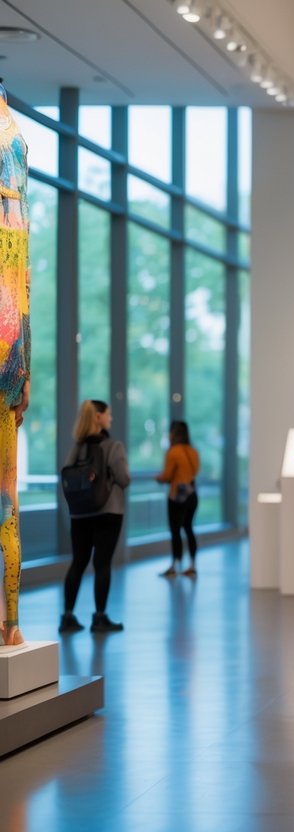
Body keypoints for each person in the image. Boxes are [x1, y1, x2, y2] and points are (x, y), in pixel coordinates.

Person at [0, 79, 29, 648]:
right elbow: (24, 289)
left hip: (11, 349)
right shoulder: (18, 142)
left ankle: (10, 622)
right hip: (12, 348)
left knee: (7, 497)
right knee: (7, 498)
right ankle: (11, 625)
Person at [60, 400, 129, 633]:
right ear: (98, 417)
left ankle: (67, 616)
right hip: (107, 511)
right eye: (108, 414)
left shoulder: (75, 448)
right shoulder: (113, 446)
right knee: (102, 564)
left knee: (78, 563)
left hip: (79, 513)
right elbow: (124, 479)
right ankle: (99, 617)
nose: (111, 418)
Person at [155, 420, 201, 578]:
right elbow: (195, 471)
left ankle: (175, 564)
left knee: (175, 531)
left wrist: (159, 478)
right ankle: (192, 564)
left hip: (177, 496)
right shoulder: (193, 451)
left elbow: (167, 475)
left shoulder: (173, 451)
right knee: (188, 528)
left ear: (173, 433)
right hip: (192, 494)